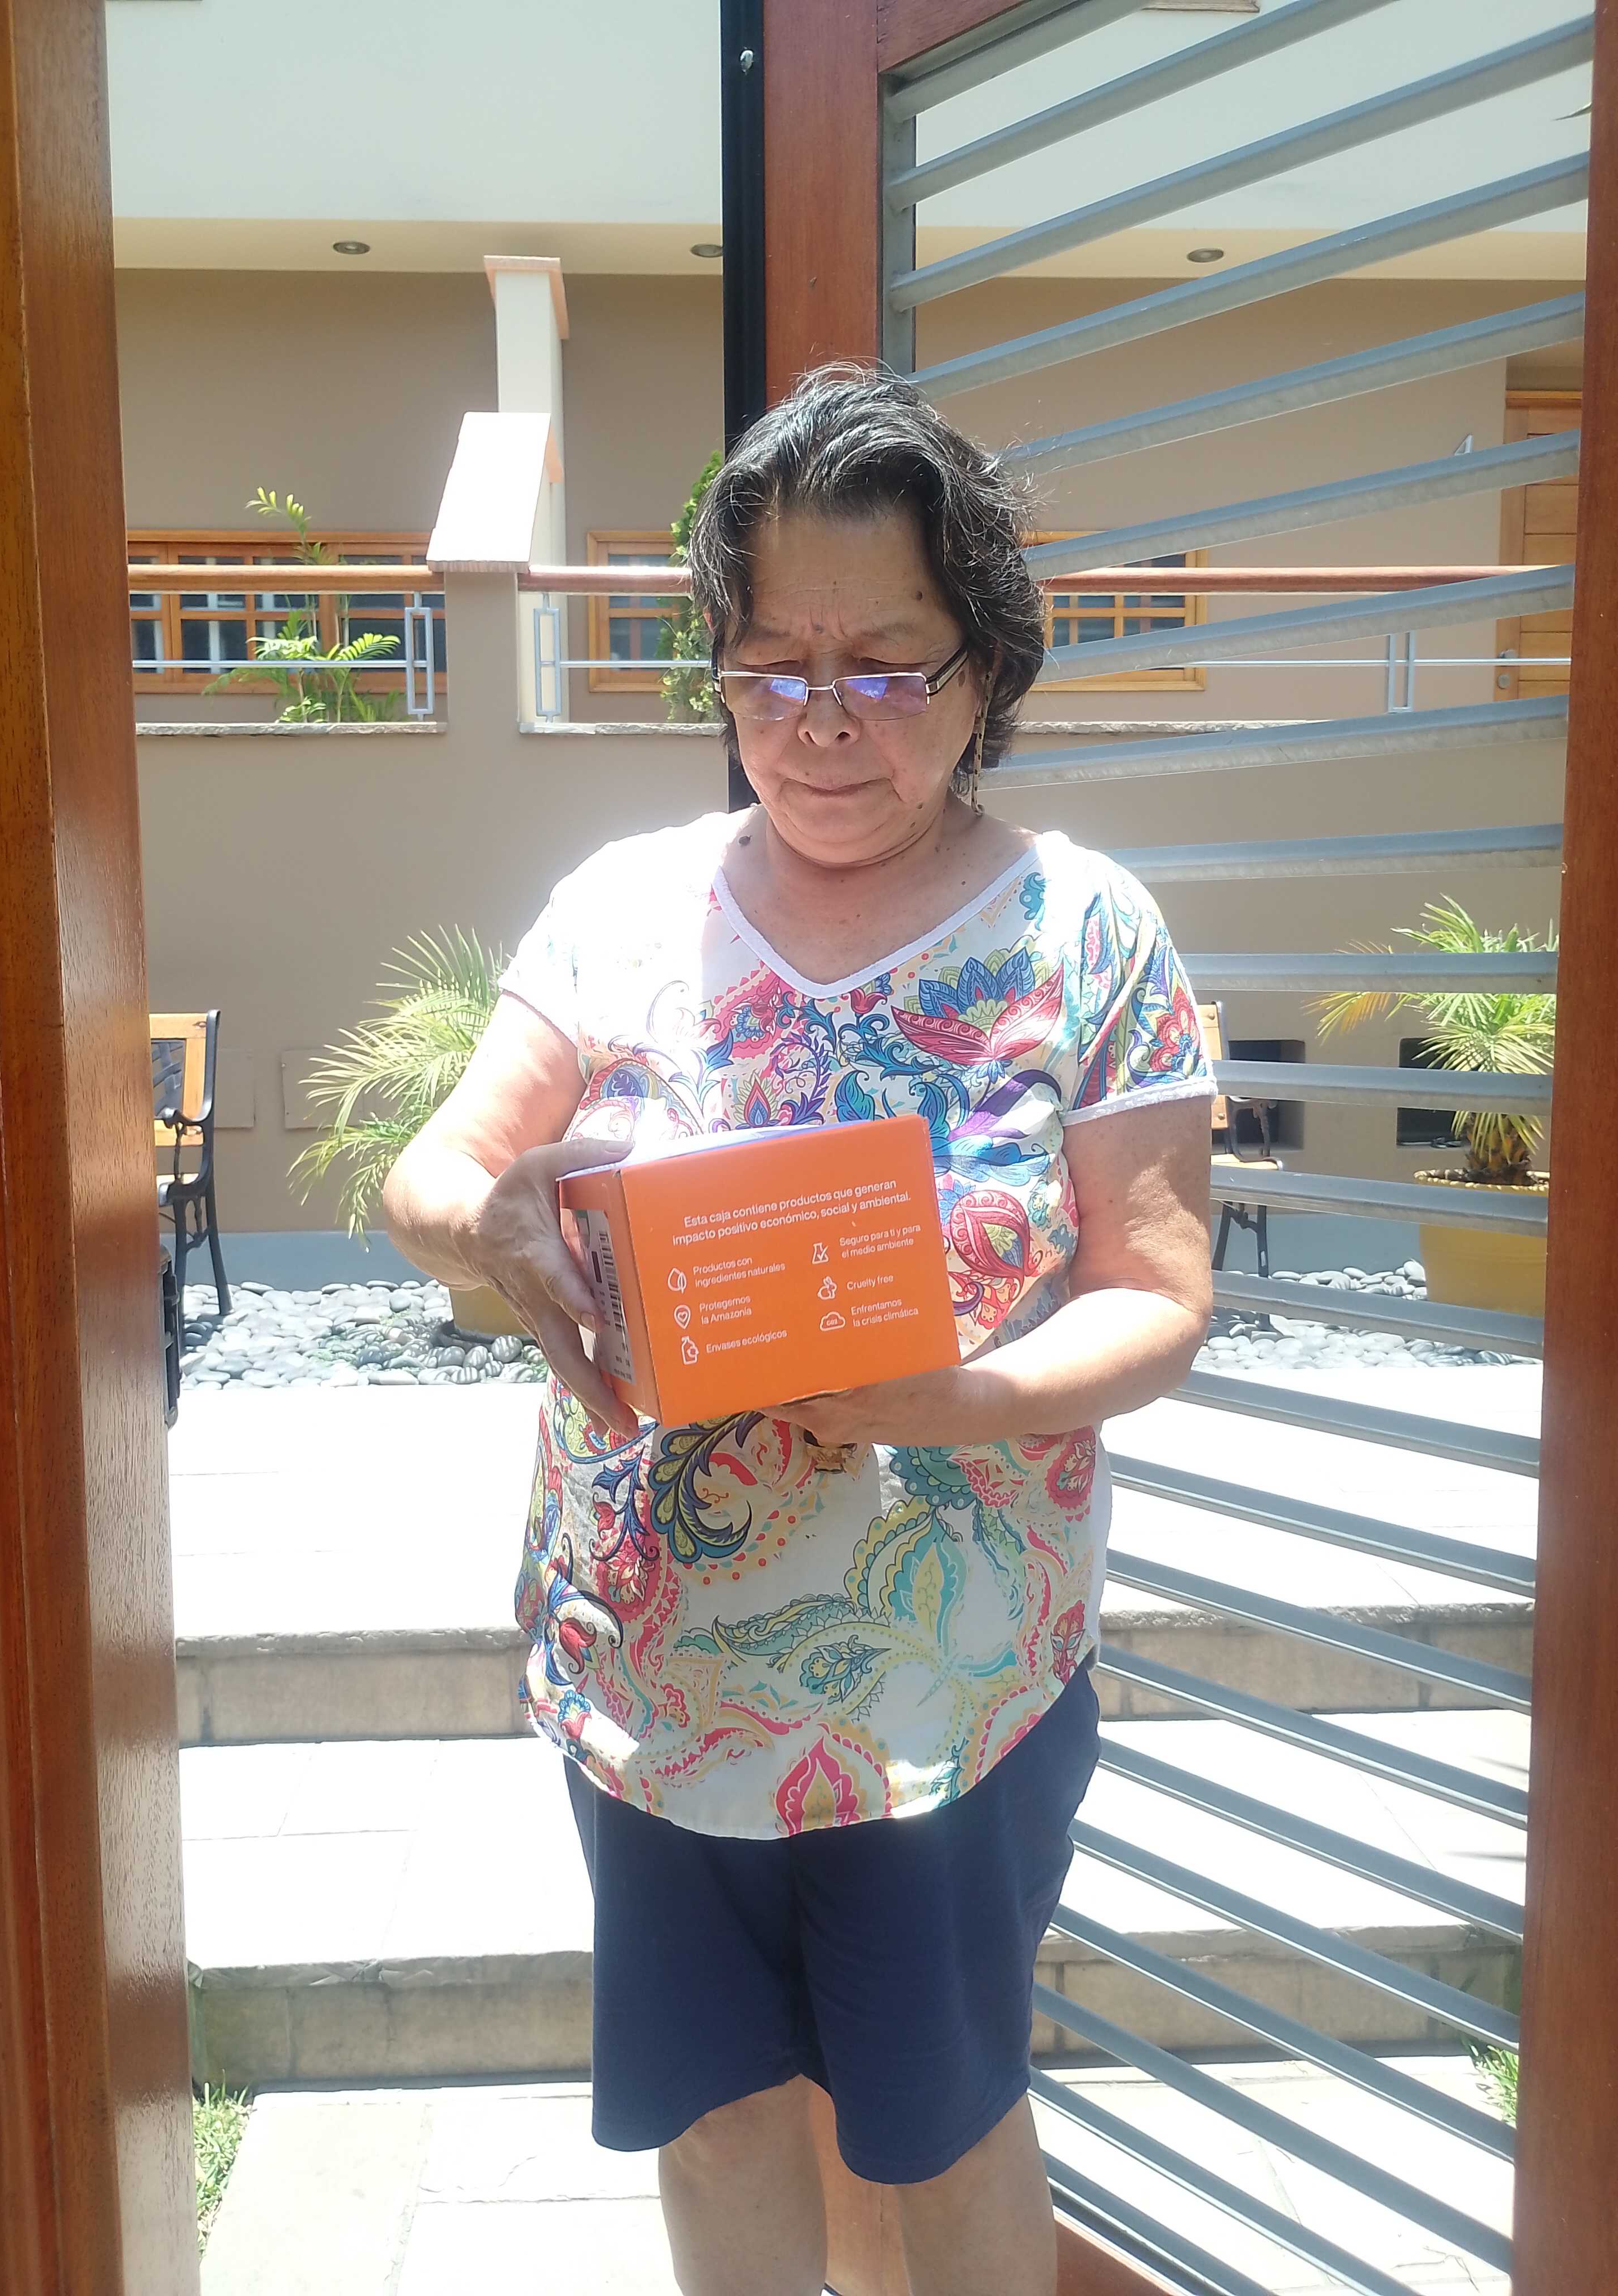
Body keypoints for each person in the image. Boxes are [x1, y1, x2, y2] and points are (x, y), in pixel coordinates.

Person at [383, 364, 1214, 2296]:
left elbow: (1162, 1300)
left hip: (952, 1690)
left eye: (889, 664)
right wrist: (485, 1224)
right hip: (658, 1677)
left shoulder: (1083, 934)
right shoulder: (625, 908)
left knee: (948, 2123)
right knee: (719, 2113)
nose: (824, 719)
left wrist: (956, 1395)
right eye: (772, 665)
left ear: (986, 666)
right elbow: (440, 1170)